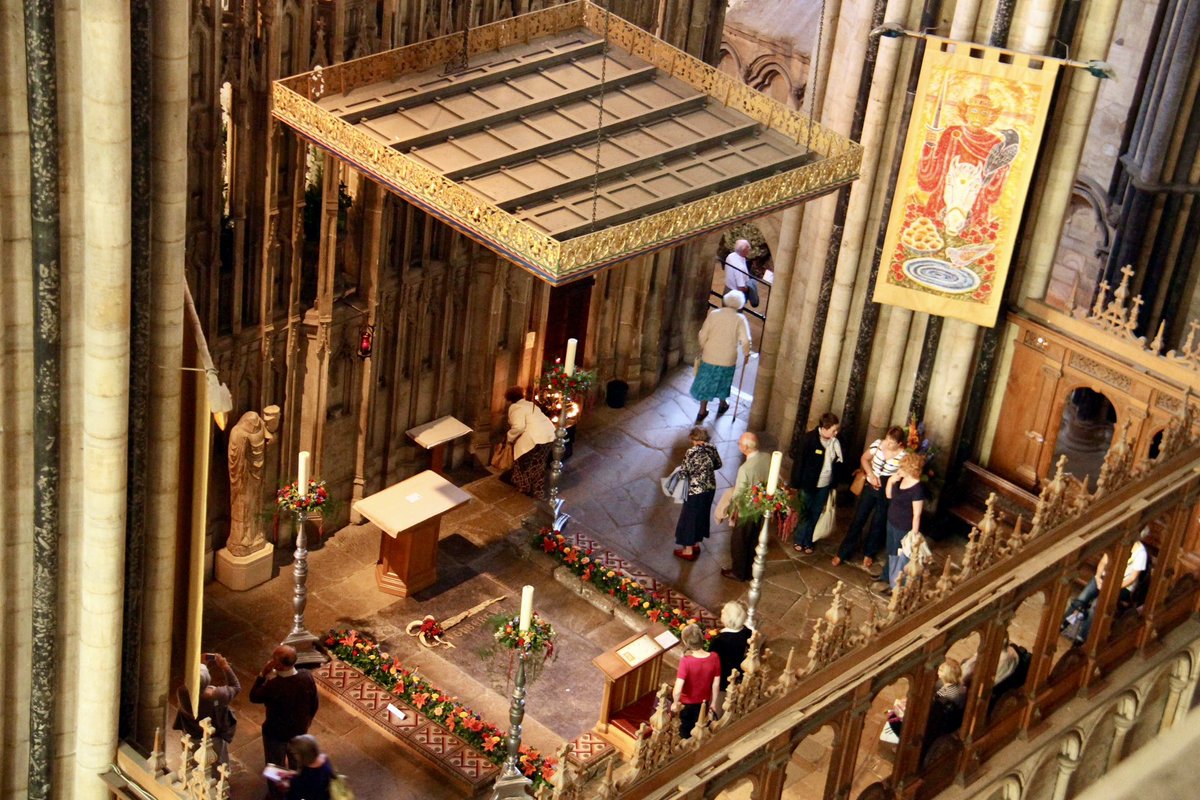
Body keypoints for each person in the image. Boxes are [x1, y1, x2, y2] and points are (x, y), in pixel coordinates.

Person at [832, 425, 906, 570]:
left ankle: (869, 553)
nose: (888, 444)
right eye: (888, 440)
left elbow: (903, 474)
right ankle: (843, 551)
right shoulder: (878, 445)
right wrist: (871, 475)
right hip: (871, 484)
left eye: (892, 443)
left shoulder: (904, 456)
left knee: (878, 521)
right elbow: (865, 458)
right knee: (859, 518)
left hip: (886, 489)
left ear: (900, 444)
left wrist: (892, 480)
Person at [1062, 534, 1150, 644]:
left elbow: (1133, 578)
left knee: (1097, 604)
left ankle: (1081, 637)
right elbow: (1103, 561)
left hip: (1122, 586)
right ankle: (1063, 623)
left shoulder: (1141, 553)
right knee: (1083, 597)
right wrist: (1098, 577)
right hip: (1104, 578)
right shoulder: (1119, 539)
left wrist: (1113, 586)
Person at [249, 645, 319, 769]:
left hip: (276, 734)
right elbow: (314, 703)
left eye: (273, 659)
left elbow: (254, 697)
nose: (270, 661)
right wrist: (307, 722)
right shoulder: (306, 676)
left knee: (275, 766)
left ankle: (276, 788)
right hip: (299, 730)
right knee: (297, 763)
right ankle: (296, 785)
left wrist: (262, 674)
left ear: (279, 665)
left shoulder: (274, 686)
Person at [716, 432, 772, 581]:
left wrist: (731, 510)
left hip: (746, 510)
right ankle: (748, 570)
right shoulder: (766, 457)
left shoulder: (745, 469)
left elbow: (739, 494)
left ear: (745, 447)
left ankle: (739, 572)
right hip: (760, 507)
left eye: (739, 443)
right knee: (753, 539)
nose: (738, 446)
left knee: (739, 543)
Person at [690, 290, 752, 424]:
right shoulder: (740, 319)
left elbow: (703, 333)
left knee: (706, 381)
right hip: (727, 358)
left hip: (710, 354)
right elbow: (746, 341)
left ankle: (702, 410)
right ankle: (723, 403)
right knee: (724, 381)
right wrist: (747, 353)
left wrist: (703, 345)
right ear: (739, 305)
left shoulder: (714, 314)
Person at [173, 652, 240, 766]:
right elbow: (235, 686)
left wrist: (201, 664)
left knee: (192, 762)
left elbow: (196, 682)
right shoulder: (217, 695)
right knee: (218, 765)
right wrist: (225, 666)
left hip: (191, 733)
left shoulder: (182, 692)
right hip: (212, 738)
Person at [791, 413, 844, 555]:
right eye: (834, 430)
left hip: (825, 485)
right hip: (808, 484)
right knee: (805, 513)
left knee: (815, 513)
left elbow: (838, 464)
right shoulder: (809, 440)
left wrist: (834, 483)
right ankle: (799, 539)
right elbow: (799, 463)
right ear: (824, 428)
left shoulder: (836, 442)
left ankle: (810, 540)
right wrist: (795, 484)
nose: (836, 433)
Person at [673, 426, 722, 561]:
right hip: (710, 488)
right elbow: (718, 465)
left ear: (694, 438)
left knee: (689, 518)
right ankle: (696, 544)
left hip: (695, 490)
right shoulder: (712, 448)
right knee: (702, 515)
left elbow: (684, 472)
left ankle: (688, 550)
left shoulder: (692, 452)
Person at [883, 453, 926, 590]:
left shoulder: (917, 489)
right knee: (890, 550)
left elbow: (917, 514)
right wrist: (890, 481)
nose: (899, 470)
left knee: (899, 555)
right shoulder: (901, 480)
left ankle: (895, 585)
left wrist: (914, 534)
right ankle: (886, 575)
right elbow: (889, 496)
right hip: (892, 520)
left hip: (903, 526)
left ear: (910, 470)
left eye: (902, 468)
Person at [504, 386, 556, 498]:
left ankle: (524, 487)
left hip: (535, 439)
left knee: (522, 463)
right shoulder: (530, 404)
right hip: (548, 435)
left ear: (509, 399)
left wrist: (509, 438)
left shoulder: (516, 407)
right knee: (539, 465)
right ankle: (536, 490)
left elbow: (519, 427)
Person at [671, 623, 722, 739]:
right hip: (703, 703)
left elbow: (678, 689)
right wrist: (713, 703)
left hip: (686, 704)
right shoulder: (714, 657)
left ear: (685, 642)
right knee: (700, 730)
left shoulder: (686, 661)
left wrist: (675, 702)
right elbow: (716, 684)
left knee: (685, 734)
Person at [708, 601, 753, 713]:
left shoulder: (719, 641)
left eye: (724, 612)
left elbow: (711, 661)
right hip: (738, 668)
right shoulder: (746, 632)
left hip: (723, 675)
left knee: (720, 702)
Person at [265, 734, 336, 800]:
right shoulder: (324, 758)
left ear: (303, 755)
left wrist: (285, 786)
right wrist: (294, 774)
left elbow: (296, 795)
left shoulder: (305, 777)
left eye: (295, 753)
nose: (294, 756)